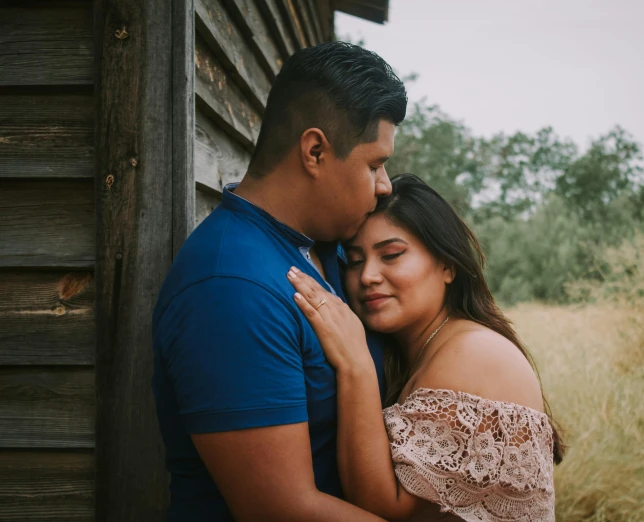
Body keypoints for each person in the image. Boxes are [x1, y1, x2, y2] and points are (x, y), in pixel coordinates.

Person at [151, 42, 407, 521]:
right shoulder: (229, 289)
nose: (385, 184)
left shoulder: (322, 246)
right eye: (374, 164)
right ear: (315, 152)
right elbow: (282, 509)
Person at [286, 174, 565, 522]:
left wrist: (355, 363)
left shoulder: (470, 354)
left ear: (447, 266)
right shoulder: (428, 349)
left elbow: (385, 509)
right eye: (355, 261)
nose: (368, 275)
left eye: (391, 255)